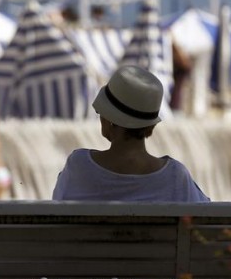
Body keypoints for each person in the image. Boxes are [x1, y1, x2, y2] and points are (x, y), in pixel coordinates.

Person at [52, 65, 210, 202]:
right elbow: (204, 218)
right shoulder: (176, 177)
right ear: (150, 127)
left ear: (110, 121)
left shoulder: (78, 166)